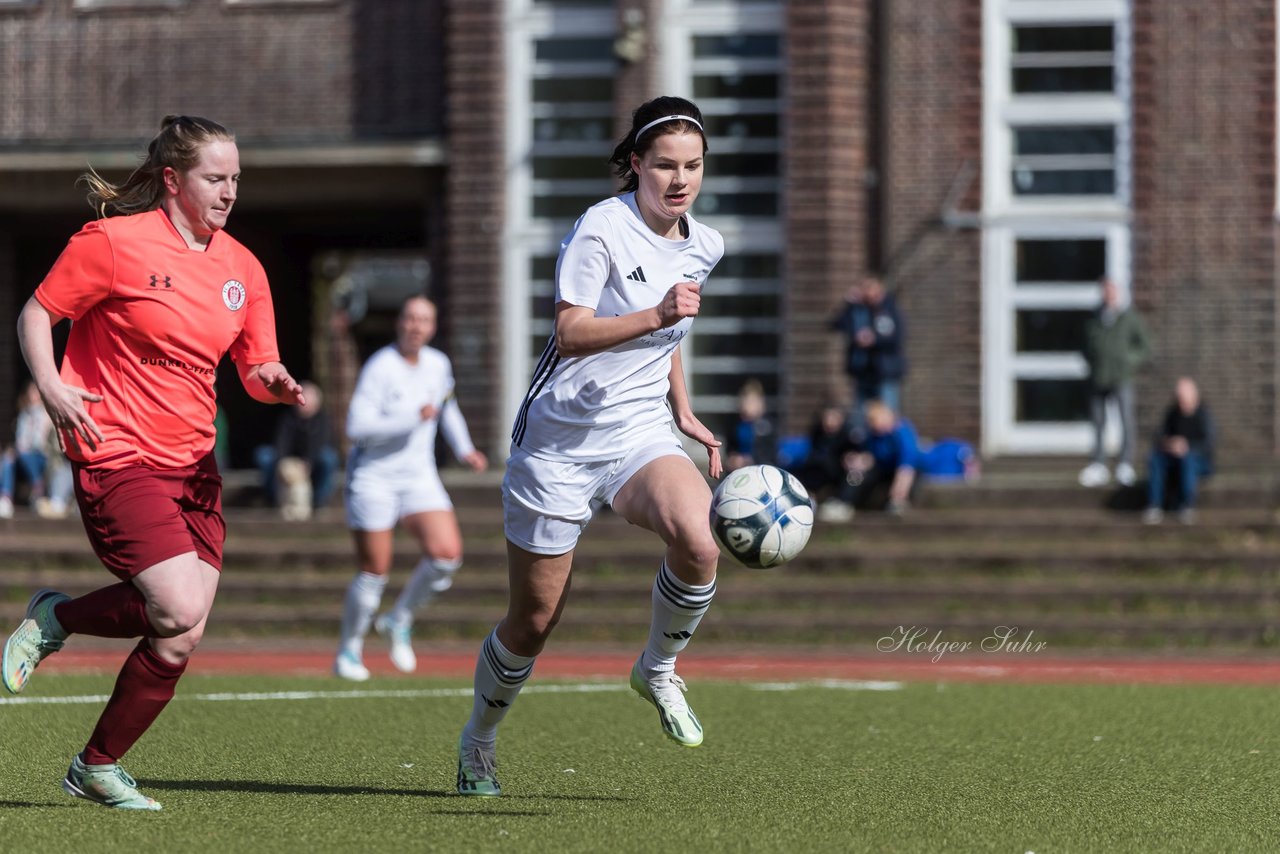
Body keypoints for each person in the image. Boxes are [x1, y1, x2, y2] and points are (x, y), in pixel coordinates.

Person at [0, 115, 304, 811]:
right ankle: (58, 619)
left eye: (236, 179)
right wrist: (50, 387)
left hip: (194, 466)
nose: (230, 192)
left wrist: (275, 382)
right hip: (115, 451)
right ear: (173, 180)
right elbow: (36, 314)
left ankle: (95, 766)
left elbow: (255, 364)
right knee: (176, 603)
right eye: (215, 178)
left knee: (182, 632)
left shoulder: (243, 267)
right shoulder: (112, 243)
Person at [454, 96, 724, 797]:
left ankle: (657, 670)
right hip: (558, 443)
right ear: (634, 164)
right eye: (664, 164)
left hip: (638, 432)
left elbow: (668, 339)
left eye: (692, 166)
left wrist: (683, 409)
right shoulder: (601, 229)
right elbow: (573, 332)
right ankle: (479, 740)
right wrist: (656, 311)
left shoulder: (705, 243)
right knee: (535, 620)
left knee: (700, 539)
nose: (679, 179)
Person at [334, 295, 488, 681]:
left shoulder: (438, 364)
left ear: (432, 327)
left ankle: (398, 618)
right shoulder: (380, 367)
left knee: (446, 555)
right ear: (399, 323)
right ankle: (349, 649)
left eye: (424, 320)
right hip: (374, 478)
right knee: (374, 571)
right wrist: (409, 418)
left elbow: (446, 407)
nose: (416, 326)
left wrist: (465, 449)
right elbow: (357, 428)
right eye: (409, 318)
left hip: (419, 476)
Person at [1079, 277, 1152, 488]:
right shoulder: (1093, 318)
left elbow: (1145, 345)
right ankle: (1098, 464)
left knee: (1126, 421)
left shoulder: (1129, 317)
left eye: (1112, 291)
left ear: (1117, 293)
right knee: (1098, 422)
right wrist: (1092, 362)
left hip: (1121, 377)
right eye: (1105, 291)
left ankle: (1125, 464)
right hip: (1098, 377)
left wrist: (1130, 360)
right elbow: (1084, 344)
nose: (1108, 295)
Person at [819, 400, 921, 521]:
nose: (872, 425)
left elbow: (906, 467)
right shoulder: (875, 434)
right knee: (856, 474)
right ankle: (844, 502)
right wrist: (857, 460)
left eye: (874, 421)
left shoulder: (902, 432)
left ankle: (898, 503)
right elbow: (870, 456)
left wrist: (897, 495)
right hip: (881, 470)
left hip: (904, 474)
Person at [831, 274, 906, 436]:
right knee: (861, 415)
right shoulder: (858, 311)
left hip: (885, 371)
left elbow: (897, 337)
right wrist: (848, 304)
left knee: (887, 414)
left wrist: (874, 339)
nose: (868, 294)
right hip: (862, 371)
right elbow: (836, 325)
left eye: (870, 289)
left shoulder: (888, 309)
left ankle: (891, 445)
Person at [254, 380, 339, 514]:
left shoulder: (324, 420)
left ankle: (319, 501)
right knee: (264, 455)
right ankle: (271, 498)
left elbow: (321, 444)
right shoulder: (287, 418)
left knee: (329, 458)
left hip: (311, 461)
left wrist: (307, 462)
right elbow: (280, 442)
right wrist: (282, 462)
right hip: (288, 460)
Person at [1142, 377, 1215, 525]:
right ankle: (1154, 505)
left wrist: (1187, 446)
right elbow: (1159, 436)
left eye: (1184, 399)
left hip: (1198, 460)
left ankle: (1186, 505)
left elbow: (1208, 443)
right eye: (1179, 399)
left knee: (1188, 460)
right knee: (1155, 458)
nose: (1182, 403)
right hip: (1172, 457)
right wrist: (1169, 444)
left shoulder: (1203, 415)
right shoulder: (1172, 414)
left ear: (1194, 397)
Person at [0, 381, 54, 518]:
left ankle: (38, 489)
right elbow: (20, 439)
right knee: (8, 457)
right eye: (31, 391)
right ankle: (5, 498)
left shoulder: (47, 413)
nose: (32, 395)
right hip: (23, 455)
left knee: (24, 454)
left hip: (41, 456)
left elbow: (41, 441)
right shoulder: (23, 414)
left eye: (35, 392)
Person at [724, 378, 774, 471]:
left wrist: (750, 460)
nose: (746, 406)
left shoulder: (767, 426)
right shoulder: (735, 425)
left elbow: (770, 454)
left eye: (751, 402)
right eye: (744, 401)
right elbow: (730, 449)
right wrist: (733, 459)